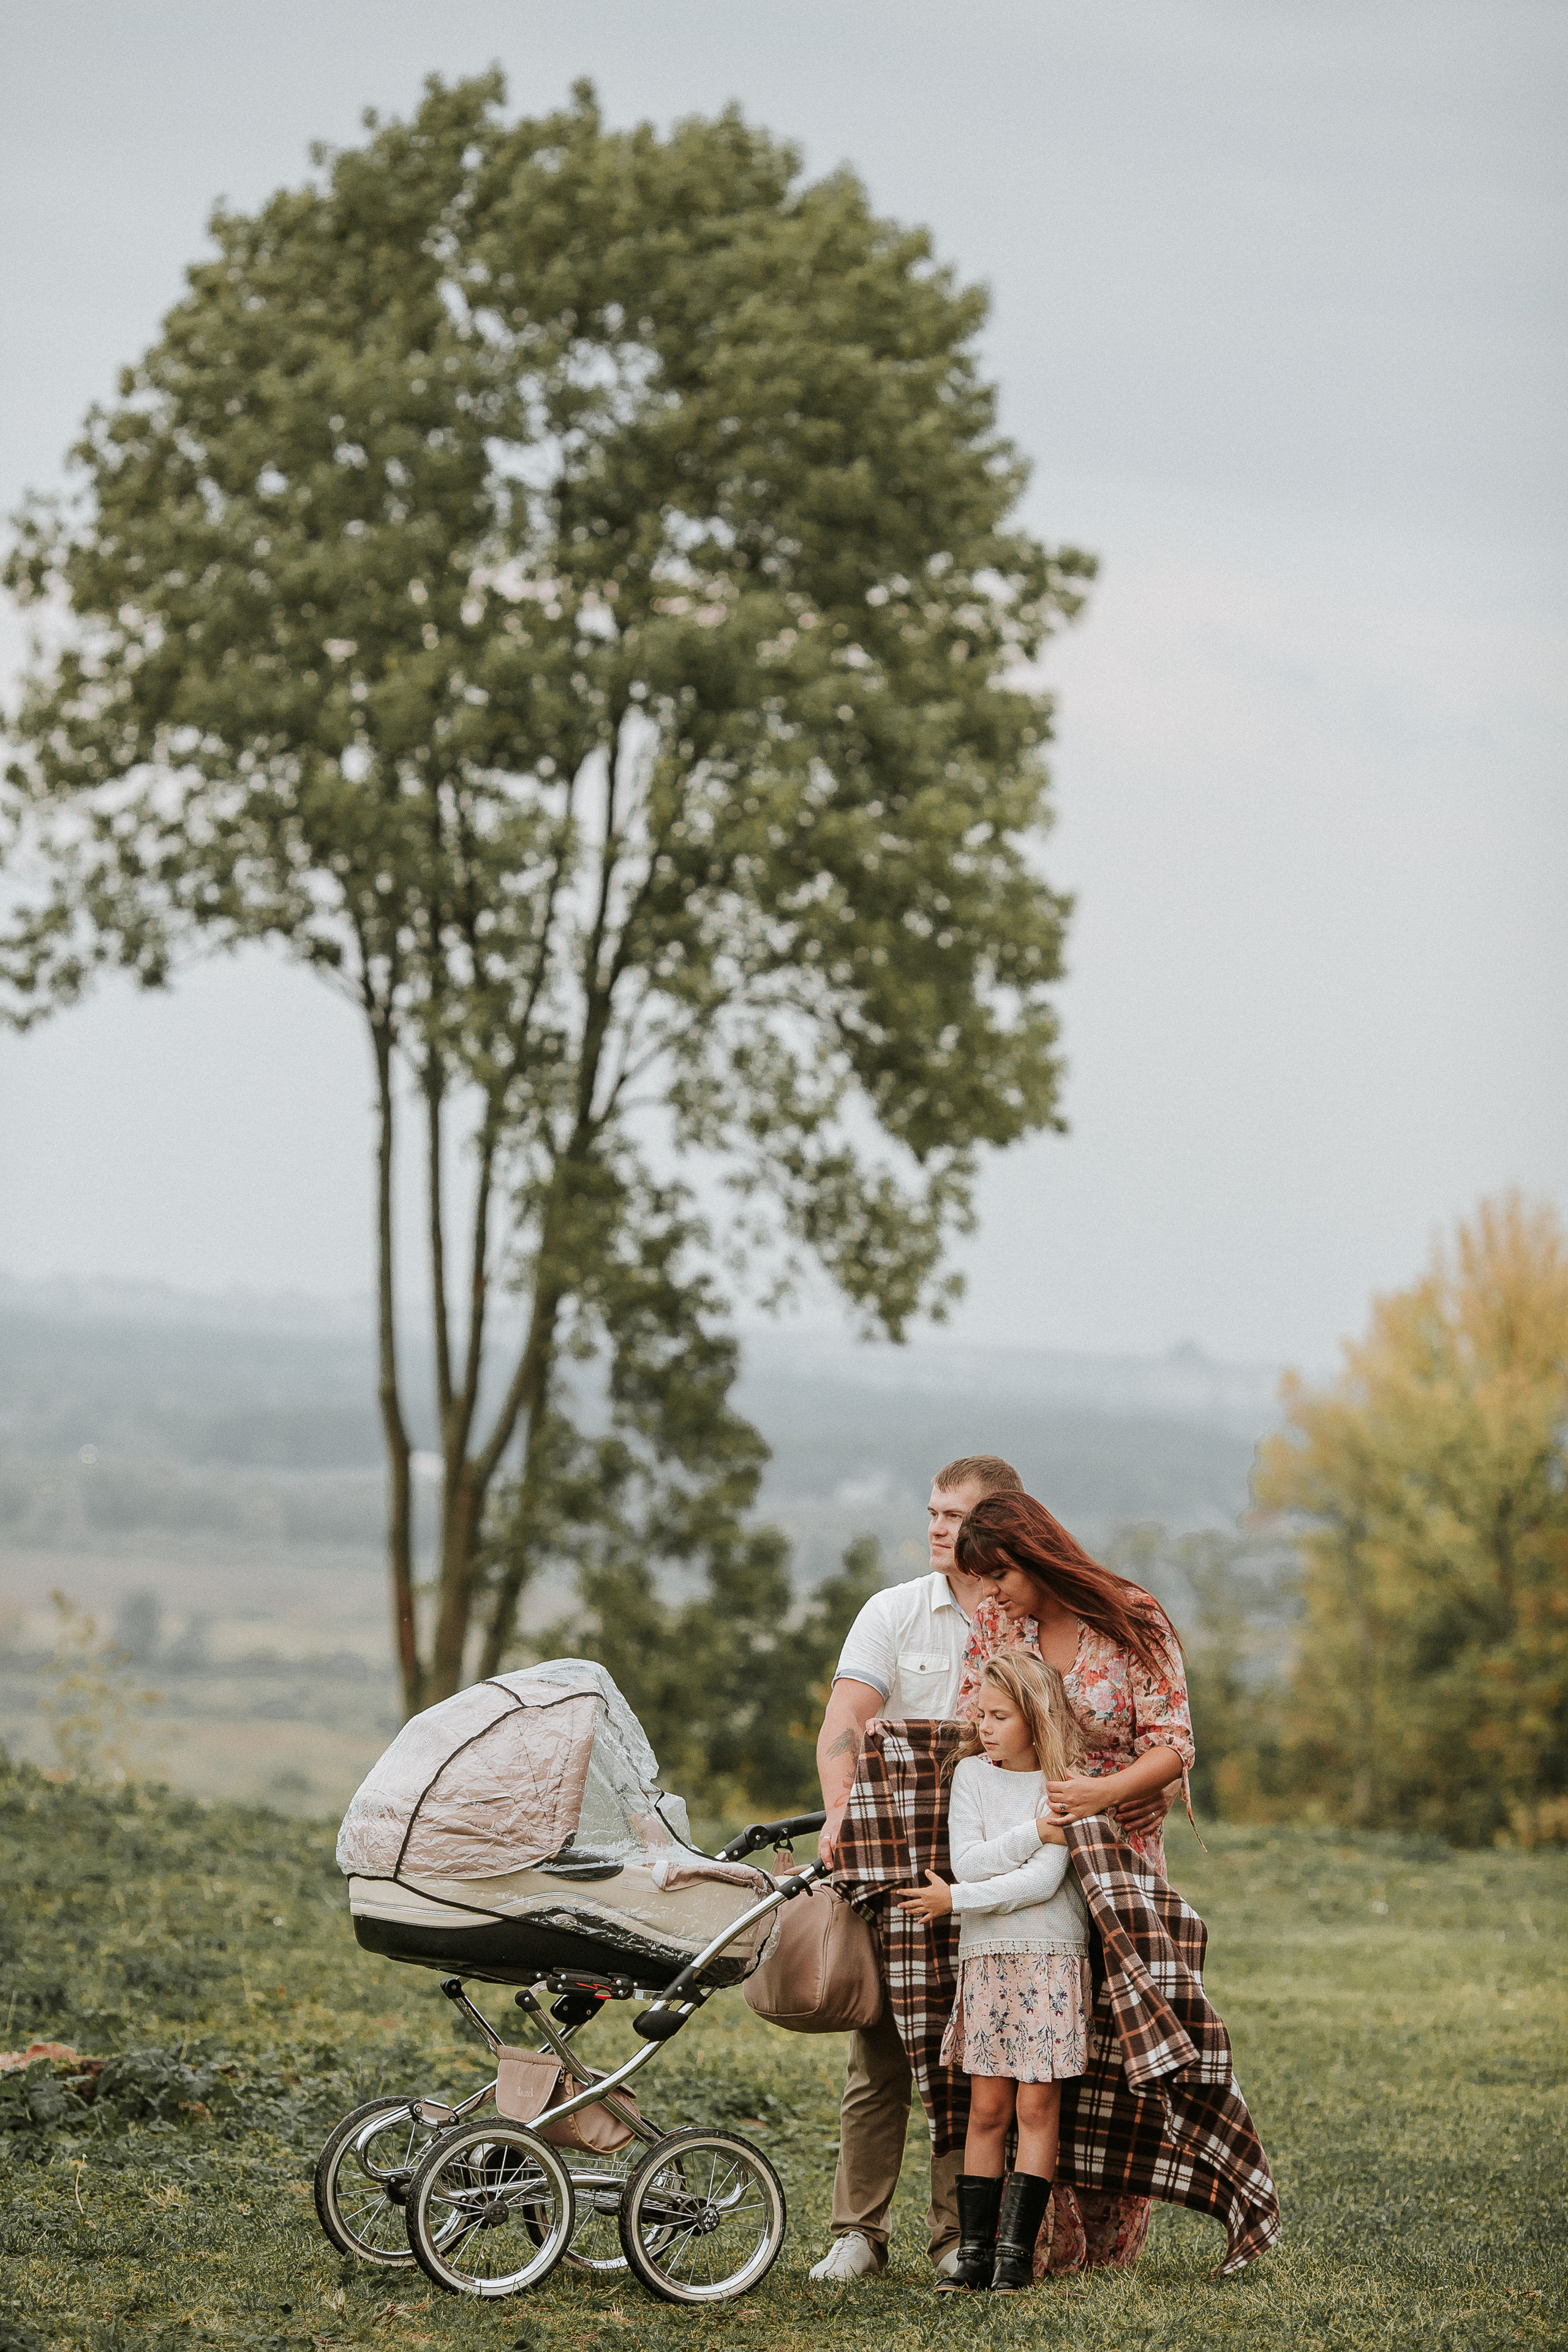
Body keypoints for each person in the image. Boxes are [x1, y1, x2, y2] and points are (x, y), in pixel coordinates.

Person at [950, 1488, 1196, 2269]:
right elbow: (974, 1726)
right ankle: (1031, 2243)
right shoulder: (997, 1627)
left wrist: (1110, 1792)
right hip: (1023, 1853)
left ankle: (1111, 2241)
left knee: (1114, 2045)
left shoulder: (1130, 1617)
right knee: (1032, 2053)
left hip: (1119, 1861)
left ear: (1035, 1555)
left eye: (999, 1575)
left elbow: (1173, 1742)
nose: (991, 1594)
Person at [807, 1453, 1023, 2285]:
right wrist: (839, 1809)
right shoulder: (893, 1611)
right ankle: (857, 2234)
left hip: (995, 1862)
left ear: (997, 1524)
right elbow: (846, 1715)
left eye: (954, 1515)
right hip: (897, 1860)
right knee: (882, 2051)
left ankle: (956, 2237)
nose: (935, 1527)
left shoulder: (1027, 1617)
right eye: (932, 1511)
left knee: (975, 2053)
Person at [895, 1654, 1091, 2293]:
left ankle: (1014, 2256)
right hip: (987, 1960)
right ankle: (974, 2255)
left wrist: (955, 1900)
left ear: (1035, 1719)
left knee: (1036, 2104)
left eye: (999, 1716)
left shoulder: (1064, 1786)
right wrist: (1032, 1833)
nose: (983, 1726)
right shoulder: (972, 1777)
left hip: (1050, 1958)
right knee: (986, 2109)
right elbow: (970, 1862)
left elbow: (1043, 1882)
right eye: (981, 1713)